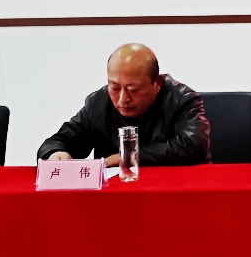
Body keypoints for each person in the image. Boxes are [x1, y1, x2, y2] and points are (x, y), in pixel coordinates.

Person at [38, 44, 211, 166]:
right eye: (115, 88)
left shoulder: (181, 99)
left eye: (133, 90)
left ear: (157, 83)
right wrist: (55, 153)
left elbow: (193, 146)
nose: (123, 99)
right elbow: (58, 142)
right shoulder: (98, 104)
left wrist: (127, 157)